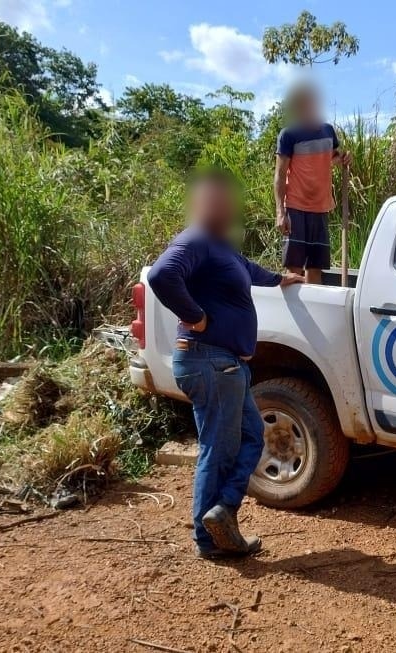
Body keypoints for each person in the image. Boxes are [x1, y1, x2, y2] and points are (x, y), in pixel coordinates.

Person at [147, 170, 304, 559]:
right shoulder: (196, 239)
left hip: (224, 366)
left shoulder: (223, 249)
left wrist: (286, 278)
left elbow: (252, 272)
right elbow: (161, 275)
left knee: (251, 437)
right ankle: (211, 535)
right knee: (218, 449)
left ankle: (222, 513)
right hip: (211, 361)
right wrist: (196, 317)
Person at [274, 82, 351, 285]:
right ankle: (295, 315)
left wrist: (343, 159)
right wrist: (280, 212)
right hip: (296, 206)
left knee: (315, 268)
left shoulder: (328, 131)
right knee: (295, 270)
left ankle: (314, 314)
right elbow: (280, 174)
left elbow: (332, 158)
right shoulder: (289, 135)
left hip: (320, 208)